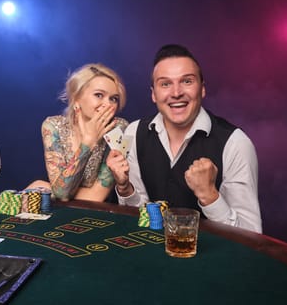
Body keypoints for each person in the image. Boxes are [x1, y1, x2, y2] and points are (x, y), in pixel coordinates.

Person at [107, 44, 262, 233]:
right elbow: (142, 215)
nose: (176, 92)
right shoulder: (134, 131)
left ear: (202, 89)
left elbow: (252, 236)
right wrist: (125, 189)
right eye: (165, 84)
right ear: (154, 94)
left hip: (212, 261)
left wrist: (210, 196)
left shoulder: (236, 143)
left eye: (187, 81)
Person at [27, 63, 128, 202]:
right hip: (56, 212)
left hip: (98, 215)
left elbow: (95, 197)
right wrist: (88, 141)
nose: (108, 104)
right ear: (77, 98)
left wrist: (43, 187)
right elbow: (62, 194)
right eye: (99, 95)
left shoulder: (118, 129)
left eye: (113, 99)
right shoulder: (53, 126)